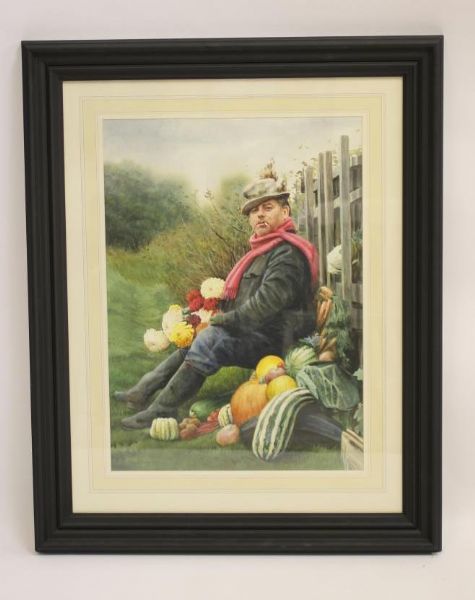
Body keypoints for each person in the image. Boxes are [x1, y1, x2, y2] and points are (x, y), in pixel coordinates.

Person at [118, 172, 318, 430]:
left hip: (276, 341)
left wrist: (218, 321)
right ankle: (142, 392)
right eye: (253, 211)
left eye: (268, 208)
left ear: (285, 211)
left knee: (210, 339)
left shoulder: (287, 255)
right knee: (196, 338)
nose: (259, 215)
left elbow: (263, 307)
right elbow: (240, 300)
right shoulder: (262, 251)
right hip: (256, 332)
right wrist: (202, 314)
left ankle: (162, 410)